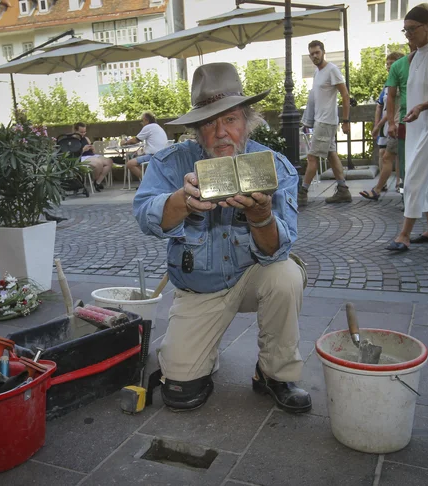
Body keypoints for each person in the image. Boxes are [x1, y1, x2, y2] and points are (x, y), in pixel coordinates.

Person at [133, 63, 311, 413]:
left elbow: (278, 248)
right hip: (199, 286)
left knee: (286, 274)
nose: (220, 133)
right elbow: (144, 214)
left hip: (254, 275)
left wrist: (261, 218)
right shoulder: (172, 162)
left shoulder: (274, 165)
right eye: (209, 122)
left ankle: (275, 373)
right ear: (197, 129)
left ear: (248, 121)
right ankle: (199, 353)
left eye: (230, 119)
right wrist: (181, 201)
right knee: (181, 390)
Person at [387, 3, 428, 252]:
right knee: (421, 178)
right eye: (405, 30)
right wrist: (398, 118)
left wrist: (421, 107)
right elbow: (405, 93)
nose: (408, 34)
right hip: (414, 124)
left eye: (412, 29)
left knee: (413, 176)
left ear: (427, 27)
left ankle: (404, 234)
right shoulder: (413, 56)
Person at [298, 40, 351, 206]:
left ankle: (302, 194)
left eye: (317, 53)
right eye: (312, 53)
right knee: (331, 154)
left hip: (326, 121)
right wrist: (309, 120)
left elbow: (345, 95)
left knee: (312, 157)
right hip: (320, 120)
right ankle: (343, 190)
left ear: (323, 52)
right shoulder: (317, 72)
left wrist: (346, 120)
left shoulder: (332, 70)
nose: (315, 56)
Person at [361, 52, 405, 200]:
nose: (388, 66)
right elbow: (380, 106)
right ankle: (385, 188)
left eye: (391, 63)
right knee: (390, 156)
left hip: (398, 125)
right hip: (395, 125)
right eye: (387, 64)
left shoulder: (398, 82)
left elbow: (392, 108)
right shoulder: (391, 83)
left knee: (390, 158)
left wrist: (380, 125)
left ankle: (379, 189)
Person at [386, 41, 417, 197]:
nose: (389, 66)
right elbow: (389, 99)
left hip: (422, 120)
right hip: (403, 122)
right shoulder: (399, 68)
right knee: (402, 159)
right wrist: (391, 123)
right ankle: (405, 193)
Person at [122, 112, 168, 181]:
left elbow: (135, 140)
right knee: (137, 161)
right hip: (162, 155)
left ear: (146, 120)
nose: (142, 123)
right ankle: (150, 180)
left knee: (130, 164)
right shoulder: (157, 127)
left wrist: (125, 143)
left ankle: (147, 183)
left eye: (142, 121)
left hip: (154, 156)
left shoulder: (148, 127)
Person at [74, 122, 113, 192]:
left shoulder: (86, 138)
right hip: (82, 156)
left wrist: (92, 148)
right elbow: (73, 154)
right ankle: (94, 180)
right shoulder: (72, 140)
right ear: (76, 131)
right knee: (98, 163)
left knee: (109, 161)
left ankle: (97, 182)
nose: (83, 134)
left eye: (84, 132)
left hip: (91, 155)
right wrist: (83, 150)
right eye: (81, 132)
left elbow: (94, 152)